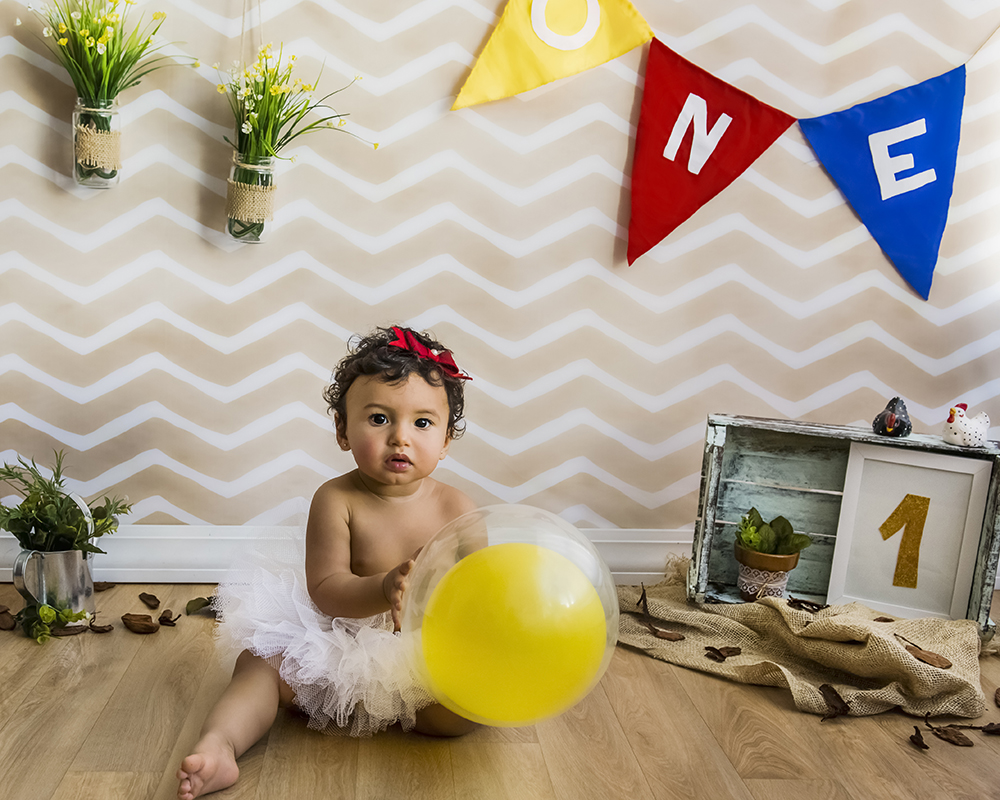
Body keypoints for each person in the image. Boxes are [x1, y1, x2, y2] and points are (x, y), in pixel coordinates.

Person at [177, 326, 479, 800]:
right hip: (340, 645)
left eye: (422, 423)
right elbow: (326, 589)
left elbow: (482, 593)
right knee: (260, 662)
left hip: (425, 653)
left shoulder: (459, 510)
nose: (401, 437)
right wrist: (383, 587)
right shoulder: (337, 499)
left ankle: (427, 707)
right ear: (342, 431)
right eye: (379, 418)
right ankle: (220, 745)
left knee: (466, 711)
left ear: (445, 441)